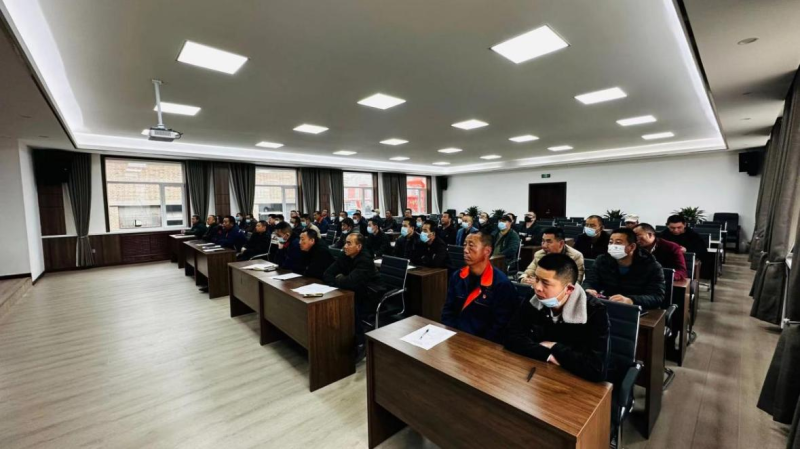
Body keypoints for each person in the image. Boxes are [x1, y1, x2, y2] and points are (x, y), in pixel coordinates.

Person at [505, 253, 610, 382]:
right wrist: (548, 355)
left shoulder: (595, 311)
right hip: (538, 373)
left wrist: (554, 346)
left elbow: (596, 369)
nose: (537, 287)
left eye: (545, 283)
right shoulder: (534, 297)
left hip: (573, 383)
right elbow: (511, 336)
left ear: (569, 289)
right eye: (536, 279)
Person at [441, 231, 519, 343]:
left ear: (487, 251)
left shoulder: (501, 284)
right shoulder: (457, 276)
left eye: (471, 246)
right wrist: (451, 333)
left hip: (482, 344)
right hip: (456, 337)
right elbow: (448, 310)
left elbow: (500, 326)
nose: (465, 250)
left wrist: (478, 344)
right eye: (464, 245)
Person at [323, 233, 382, 354]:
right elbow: (327, 274)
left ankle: (360, 341)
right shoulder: (345, 255)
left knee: (350, 305)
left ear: (359, 247)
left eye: (349, 243)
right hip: (353, 290)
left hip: (371, 293)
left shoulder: (365, 260)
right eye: (345, 243)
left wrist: (339, 279)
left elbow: (350, 282)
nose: (345, 246)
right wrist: (341, 280)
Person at [582, 228, 665, 310]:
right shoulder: (602, 260)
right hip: (607, 305)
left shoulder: (652, 266)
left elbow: (657, 297)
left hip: (637, 309)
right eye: (611, 242)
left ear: (632, 247)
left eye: (618, 243)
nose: (613, 246)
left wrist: (631, 300)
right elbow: (589, 282)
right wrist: (588, 289)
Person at [521, 227, 585, 284]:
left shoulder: (575, 256)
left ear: (561, 243)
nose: (544, 246)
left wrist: (543, 282)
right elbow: (527, 273)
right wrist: (525, 279)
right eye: (543, 241)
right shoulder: (539, 254)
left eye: (549, 242)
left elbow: (576, 283)